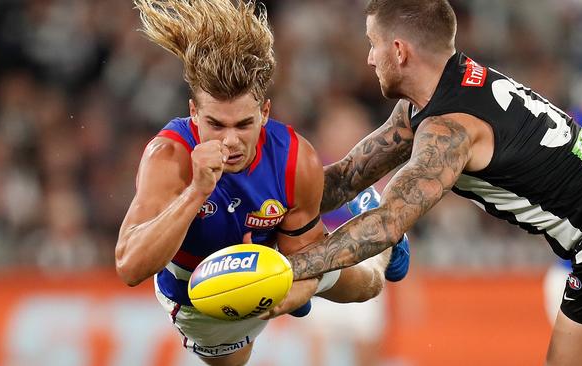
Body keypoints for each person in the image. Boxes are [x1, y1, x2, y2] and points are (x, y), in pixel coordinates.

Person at [284, 0, 582, 364]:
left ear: (398, 51)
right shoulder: (441, 93)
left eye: (372, 43)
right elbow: (349, 175)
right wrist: (264, 213)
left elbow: (385, 225)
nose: (368, 58)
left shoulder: (451, 127)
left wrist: (287, 269)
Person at [114, 1, 405, 365]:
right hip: (195, 290)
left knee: (368, 286)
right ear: (193, 112)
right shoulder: (167, 156)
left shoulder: (296, 159)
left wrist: (285, 288)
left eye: (243, 125)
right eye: (216, 125)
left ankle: (384, 247)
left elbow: (307, 262)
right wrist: (196, 192)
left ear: (264, 112)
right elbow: (130, 268)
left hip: (278, 257)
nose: (230, 141)